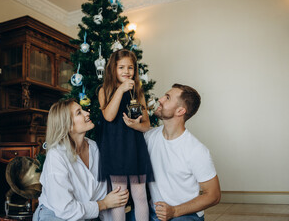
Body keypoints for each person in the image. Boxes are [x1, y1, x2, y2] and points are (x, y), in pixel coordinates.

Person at [33, 99, 129, 221]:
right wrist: (103, 204)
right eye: (79, 112)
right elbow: (65, 209)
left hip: (84, 215)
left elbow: (102, 195)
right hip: (55, 215)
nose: (87, 113)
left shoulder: (96, 149)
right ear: (67, 125)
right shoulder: (56, 156)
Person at [143, 83, 221, 221]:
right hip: (152, 212)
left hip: (185, 214)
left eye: (167, 98)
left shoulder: (196, 150)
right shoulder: (149, 137)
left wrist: (174, 211)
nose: (160, 99)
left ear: (180, 111)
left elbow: (213, 195)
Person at [98, 49, 154, 221]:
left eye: (130, 68)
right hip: (115, 150)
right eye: (121, 67)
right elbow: (109, 116)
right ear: (112, 69)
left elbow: (147, 126)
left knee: (140, 197)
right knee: (119, 198)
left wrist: (137, 126)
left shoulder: (138, 91)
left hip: (135, 149)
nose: (126, 71)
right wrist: (121, 90)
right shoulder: (104, 90)